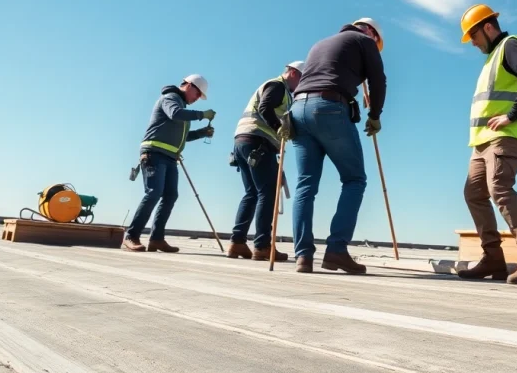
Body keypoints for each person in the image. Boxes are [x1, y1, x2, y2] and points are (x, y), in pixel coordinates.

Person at [455, 4, 517, 285]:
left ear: (487, 27)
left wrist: (511, 115)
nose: (472, 43)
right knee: (473, 193)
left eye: (473, 35)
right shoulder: (492, 57)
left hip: (506, 136)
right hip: (482, 142)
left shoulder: (510, 45)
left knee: (500, 188)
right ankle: (493, 257)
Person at [289, 18, 386, 274]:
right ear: (371, 32)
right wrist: (375, 115)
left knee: (306, 183)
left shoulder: (321, 43)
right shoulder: (365, 40)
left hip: (297, 109)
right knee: (355, 179)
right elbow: (378, 80)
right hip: (329, 107)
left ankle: (303, 256)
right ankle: (336, 251)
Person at [124, 74, 216, 253]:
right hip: (154, 153)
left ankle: (157, 239)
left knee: (170, 195)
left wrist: (202, 133)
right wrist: (201, 115)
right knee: (153, 193)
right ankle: (131, 236)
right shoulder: (170, 99)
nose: (197, 99)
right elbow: (175, 114)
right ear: (189, 86)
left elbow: (183, 136)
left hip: (169, 157)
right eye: (197, 94)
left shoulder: (182, 108)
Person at [228, 61, 304, 261]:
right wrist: (279, 127)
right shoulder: (278, 86)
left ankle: (237, 243)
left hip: (243, 142)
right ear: (294, 73)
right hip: (258, 142)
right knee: (267, 192)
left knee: (251, 193)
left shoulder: (280, 89)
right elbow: (265, 107)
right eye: (302, 79)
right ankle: (262, 245)